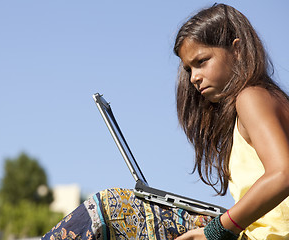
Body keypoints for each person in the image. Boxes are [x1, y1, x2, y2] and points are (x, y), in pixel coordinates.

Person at [41, 3, 289, 240]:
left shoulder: (252, 97)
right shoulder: (266, 98)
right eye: (189, 69)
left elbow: (283, 173)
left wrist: (218, 230)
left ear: (237, 50)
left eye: (202, 62)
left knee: (109, 208)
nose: (194, 78)